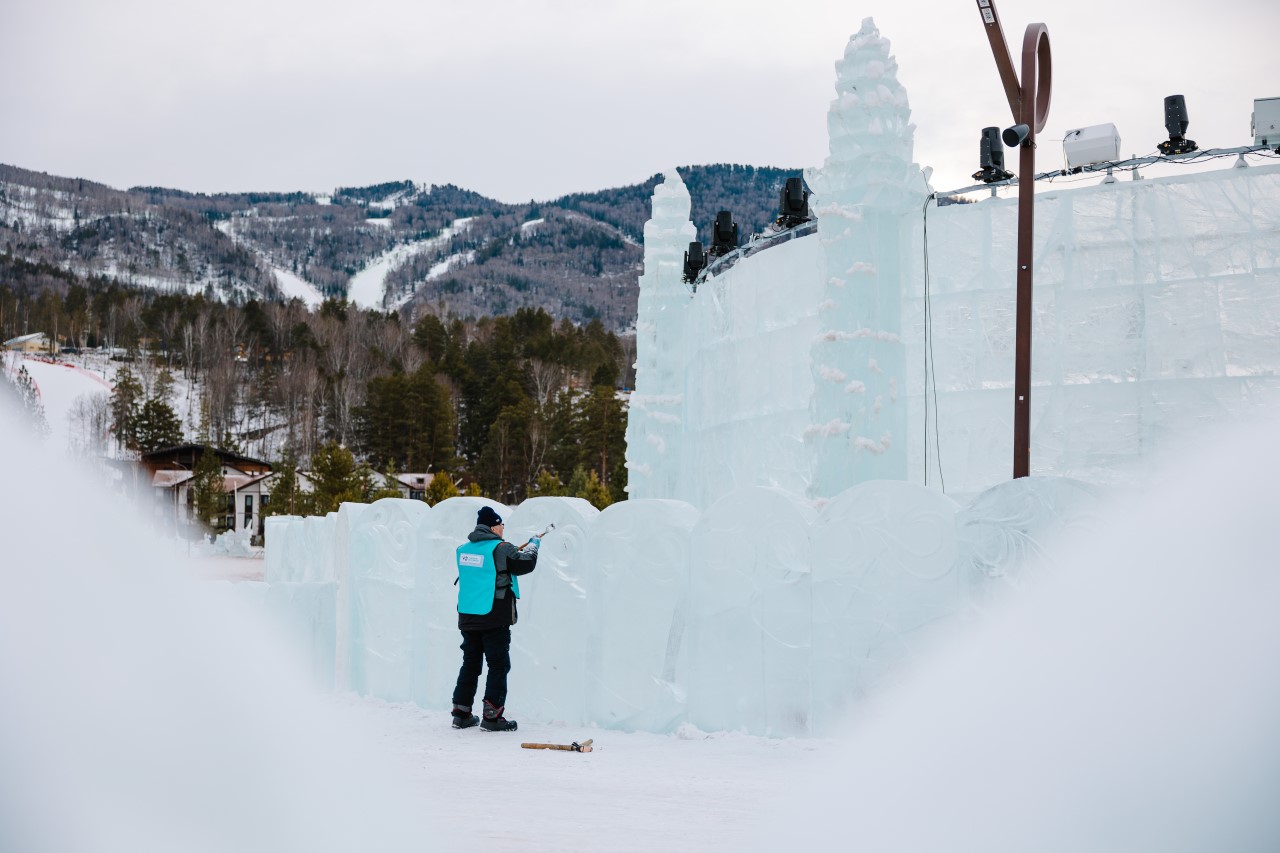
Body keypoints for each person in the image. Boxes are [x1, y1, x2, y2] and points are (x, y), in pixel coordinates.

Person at [450, 505, 539, 731]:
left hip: (468, 616)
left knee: (470, 663)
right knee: (498, 665)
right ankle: (492, 716)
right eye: (501, 525)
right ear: (493, 526)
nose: (502, 529)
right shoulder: (501, 548)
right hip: (494, 616)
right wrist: (533, 546)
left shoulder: (464, 549)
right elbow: (524, 563)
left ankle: (461, 713)